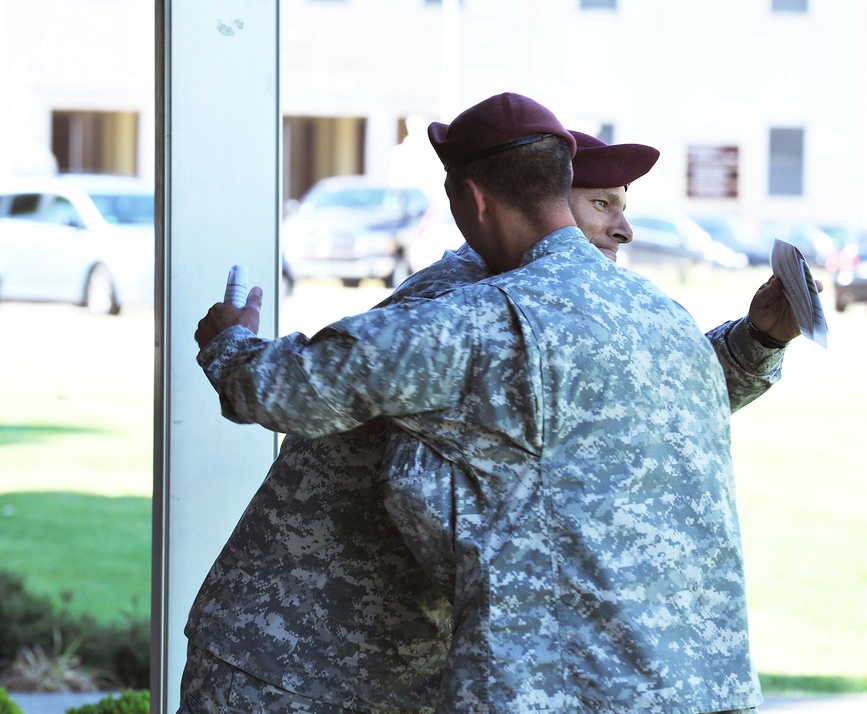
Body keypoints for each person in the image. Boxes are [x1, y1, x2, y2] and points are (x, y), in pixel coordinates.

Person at [188, 93, 802, 713]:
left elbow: (625, 409)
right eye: (600, 202)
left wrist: (759, 340)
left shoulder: (591, 308)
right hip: (300, 654)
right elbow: (301, 386)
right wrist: (235, 349)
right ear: (552, 197)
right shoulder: (465, 306)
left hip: (399, 660)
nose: (623, 227)